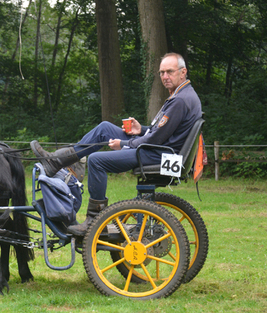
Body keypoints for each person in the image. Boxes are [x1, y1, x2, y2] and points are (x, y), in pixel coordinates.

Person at [31, 53, 202, 236]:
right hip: (158, 149)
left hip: (159, 154)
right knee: (105, 128)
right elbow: (161, 132)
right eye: (161, 73)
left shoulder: (180, 100)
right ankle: (58, 161)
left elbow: (155, 140)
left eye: (170, 72)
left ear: (183, 72)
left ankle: (93, 220)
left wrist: (125, 143)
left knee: (96, 161)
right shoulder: (182, 95)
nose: (165, 77)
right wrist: (141, 129)